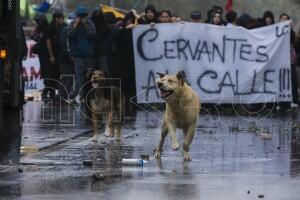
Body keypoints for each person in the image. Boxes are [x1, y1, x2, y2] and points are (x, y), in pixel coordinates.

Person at [66, 5, 96, 104]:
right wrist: (75, 25)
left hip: (88, 55)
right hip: (78, 55)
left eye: (84, 16)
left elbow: (93, 35)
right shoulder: (73, 23)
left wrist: (86, 25)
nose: (82, 18)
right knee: (80, 77)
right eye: (80, 16)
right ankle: (74, 95)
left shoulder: (90, 23)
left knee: (88, 77)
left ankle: (85, 96)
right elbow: (69, 35)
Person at [44, 12, 65, 101]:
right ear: (56, 18)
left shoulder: (61, 27)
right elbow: (48, 43)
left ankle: (52, 94)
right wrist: (51, 56)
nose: (62, 20)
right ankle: (45, 93)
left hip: (58, 55)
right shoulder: (49, 28)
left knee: (56, 76)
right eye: (61, 18)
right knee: (50, 75)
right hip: (50, 56)